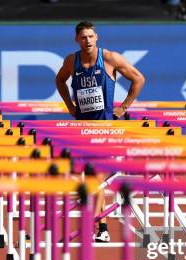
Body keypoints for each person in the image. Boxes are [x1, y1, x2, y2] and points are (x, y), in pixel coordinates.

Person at [55, 21, 145, 242]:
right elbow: (59, 80)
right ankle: (101, 226)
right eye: (83, 37)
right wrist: (70, 106)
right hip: (82, 126)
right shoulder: (71, 60)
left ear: (97, 37)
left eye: (91, 37)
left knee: (95, 178)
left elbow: (138, 79)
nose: (87, 41)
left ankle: (96, 226)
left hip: (104, 126)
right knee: (91, 178)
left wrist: (123, 108)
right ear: (77, 39)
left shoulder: (110, 58)